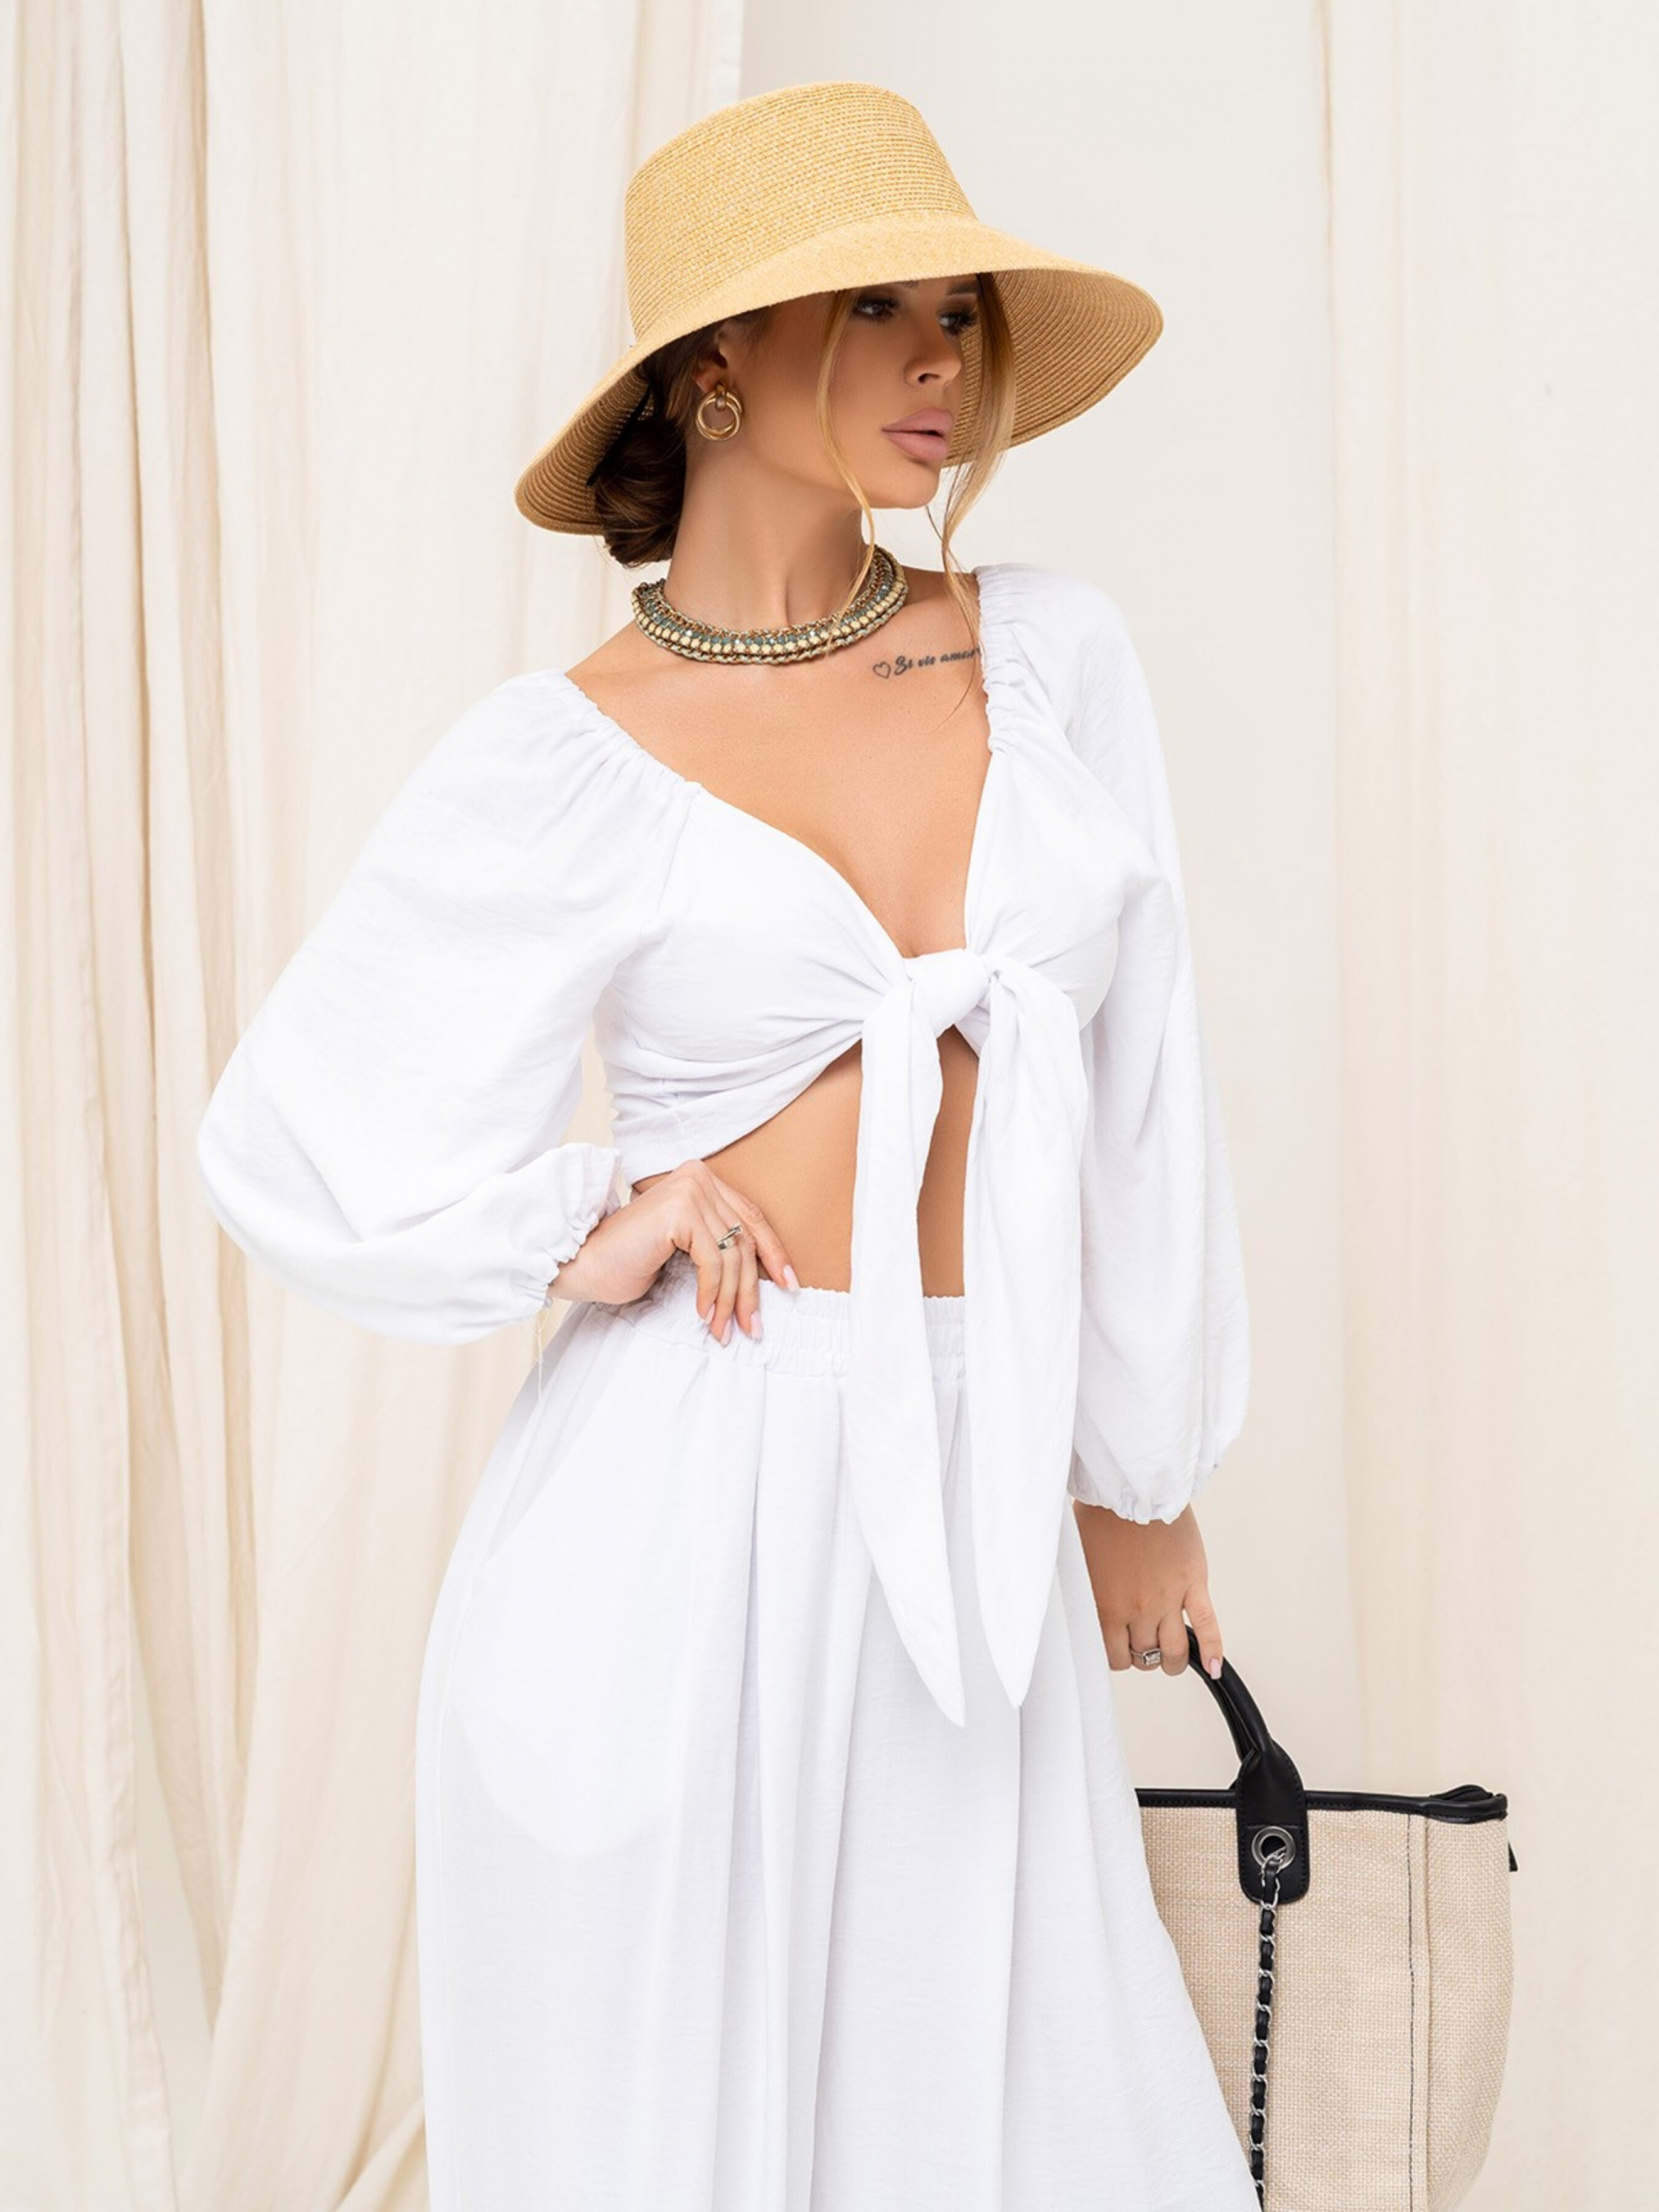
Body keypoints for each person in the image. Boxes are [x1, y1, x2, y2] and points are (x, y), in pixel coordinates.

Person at [196, 79, 1258, 2212]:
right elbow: (297, 1133)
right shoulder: (569, 752)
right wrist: (596, 1209)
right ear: (712, 365)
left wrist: (1135, 1478)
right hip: (676, 1517)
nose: (939, 357)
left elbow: (1147, 1086)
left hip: (967, 1486)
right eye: (873, 307)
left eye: (954, 311)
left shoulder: (1050, 658)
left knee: (1028, 2113)